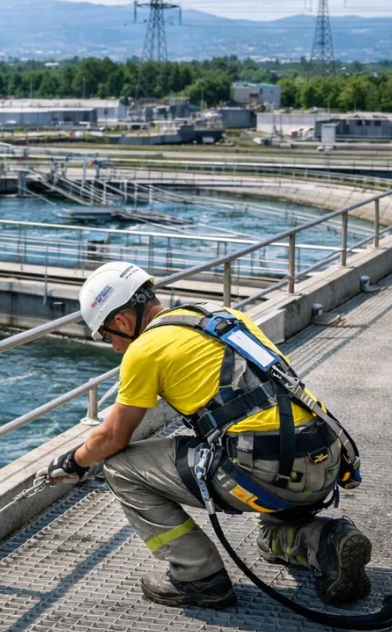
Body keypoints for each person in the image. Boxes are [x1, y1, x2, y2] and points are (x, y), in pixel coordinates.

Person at [40, 261, 371, 610]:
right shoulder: (220, 316)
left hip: (270, 468)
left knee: (120, 467)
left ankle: (198, 577)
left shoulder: (144, 349)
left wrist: (74, 462)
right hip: (325, 455)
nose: (115, 348)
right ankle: (330, 542)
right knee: (268, 537)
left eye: (109, 336)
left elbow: (111, 438)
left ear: (122, 321)